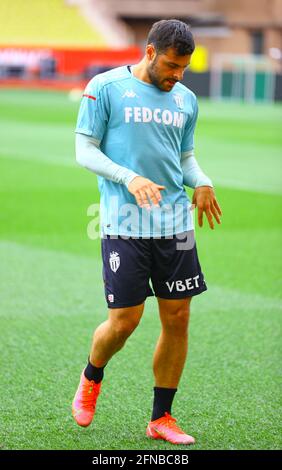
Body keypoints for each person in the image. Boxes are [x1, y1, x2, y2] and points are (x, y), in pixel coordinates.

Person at [72, 19, 222, 445]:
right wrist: (128, 177)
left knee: (178, 317)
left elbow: (185, 157)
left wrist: (204, 181)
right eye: (172, 66)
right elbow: (84, 149)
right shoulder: (105, 88)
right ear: (151, 52)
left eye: (184, 69)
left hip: (174, 222)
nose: (177, 76)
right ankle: (91, 375)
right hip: (124, 221)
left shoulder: (186, 100)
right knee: (124, 322)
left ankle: (162, 418)